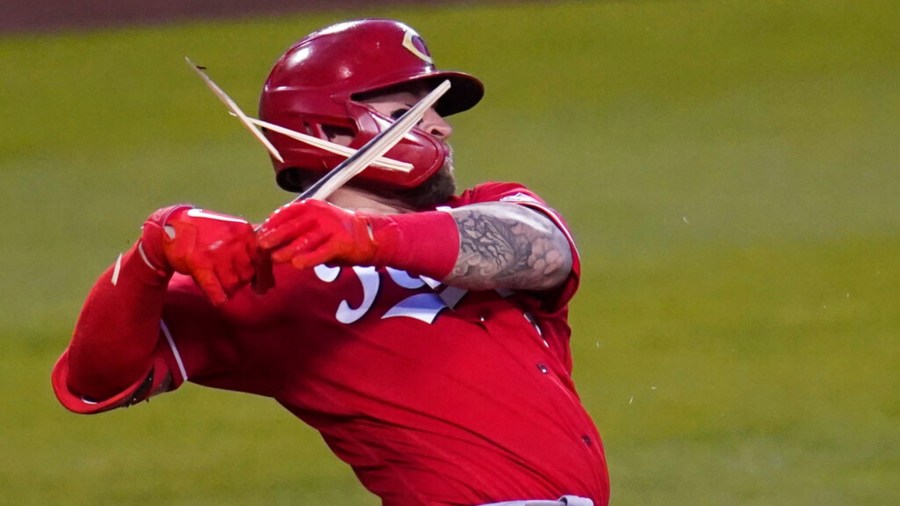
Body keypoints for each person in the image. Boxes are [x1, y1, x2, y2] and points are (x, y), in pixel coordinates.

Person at [51, 19, 609, 506]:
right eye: (413, 111)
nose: (442, 127)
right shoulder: (265, 275)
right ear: (335, 129)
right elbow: (96, 380)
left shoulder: (486, 209)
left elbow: (541, 250)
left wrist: (367, 237)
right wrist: (152, 254)